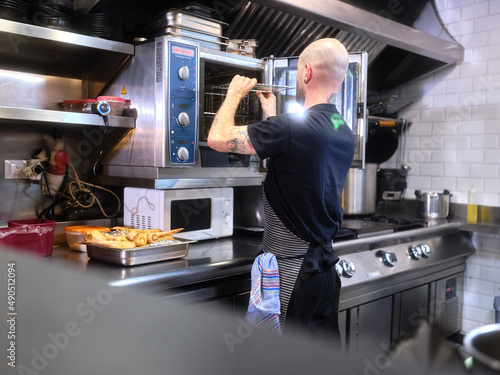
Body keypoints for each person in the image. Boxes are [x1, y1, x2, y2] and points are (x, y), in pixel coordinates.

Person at [207, 38, 355, 342]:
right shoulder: (342, 127)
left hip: (292, 274)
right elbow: (297, 157)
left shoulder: (291, 127)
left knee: (280, 365)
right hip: (324, 272)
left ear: (307, 73)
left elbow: (217, 137)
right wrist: (272, 115)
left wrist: (233, 95)